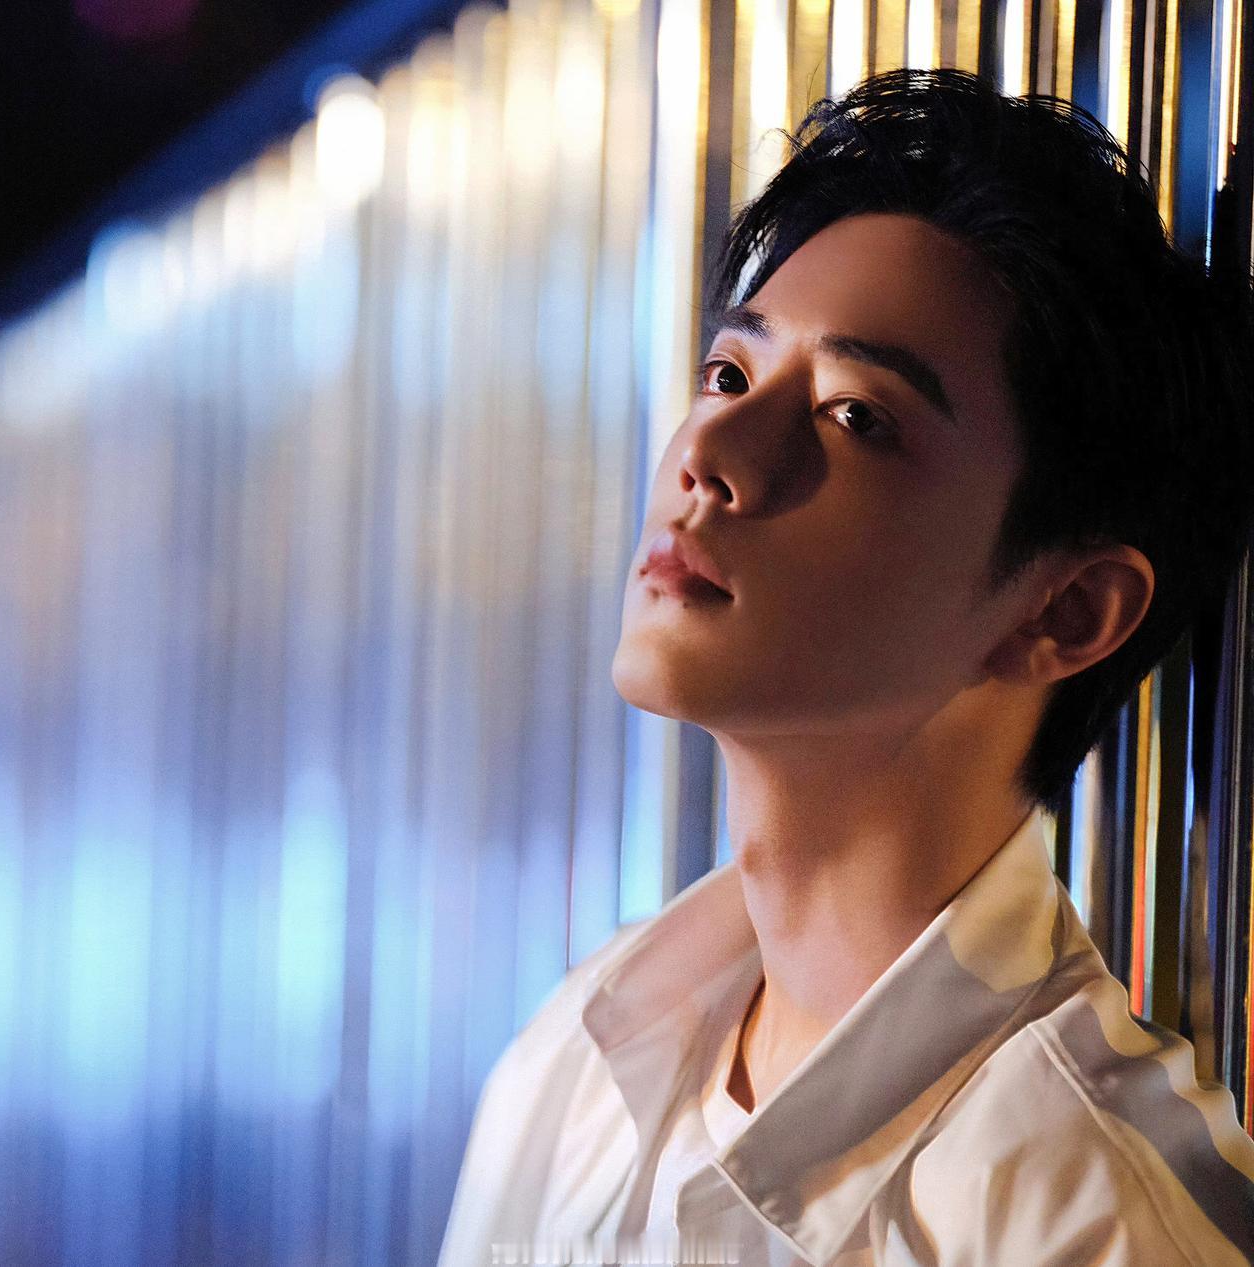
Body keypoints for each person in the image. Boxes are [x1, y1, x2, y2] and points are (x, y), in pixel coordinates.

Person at [437, 67, 1254, 1265]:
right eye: (729, 374)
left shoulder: (1090, 1221)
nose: (711, 451)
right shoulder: (576, 1066)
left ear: (1066, 609)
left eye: (854, 416)